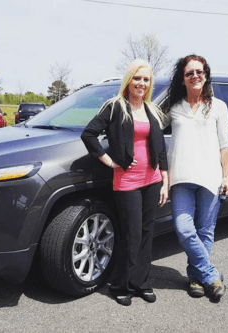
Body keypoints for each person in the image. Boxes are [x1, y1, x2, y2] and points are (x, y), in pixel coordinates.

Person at [81, 59, 169, 306]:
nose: (141, 83)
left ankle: (141, 283)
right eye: (137, 78)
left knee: (147, 233)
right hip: (127, 181)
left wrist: (165, 177)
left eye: (146, 79)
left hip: (151, 179)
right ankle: (119, 285)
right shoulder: (114, 106)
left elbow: (160, 147)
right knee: (131, 234)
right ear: (129, 80)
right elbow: (88, 134)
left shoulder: (152, 109)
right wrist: (110, 161)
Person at [164, 54, 228, 301]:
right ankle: (211, 275)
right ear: (182, 79)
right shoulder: (173, 107)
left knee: (205, 231)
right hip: (180, 178)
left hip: (210, 178)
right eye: (189, 73)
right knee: (183, 228)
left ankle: (195, 277)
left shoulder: (218, 106)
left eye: (199, 72)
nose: (195, 76)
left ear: (206, 75)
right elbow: (150, 127)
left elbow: (225, 145)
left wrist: (227, 177)